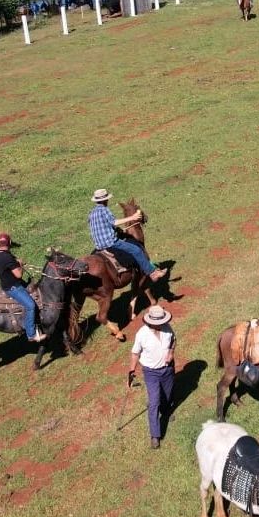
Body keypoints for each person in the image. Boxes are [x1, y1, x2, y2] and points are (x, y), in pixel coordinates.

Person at [88, 189, 166, 282]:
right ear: (105, 200)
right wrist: (132, 217)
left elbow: (101, 227)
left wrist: (116, 230)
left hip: (99, 245)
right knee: (136, 250)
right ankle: (153, 273)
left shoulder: (91, 213)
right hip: (110, 243)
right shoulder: (104, 210)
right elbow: (114, 222)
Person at [128, 304, 175, 449]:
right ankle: (155, 435)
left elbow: (173, 340)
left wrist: (171, 353)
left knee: (167, 395)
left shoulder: (168, 328)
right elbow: (135, 353)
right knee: (154, 402)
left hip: (167, 369)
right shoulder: (142, 334)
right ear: (150, 321)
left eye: (162, 322)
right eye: (157, 323)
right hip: (151, 372)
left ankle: (165, 411)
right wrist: (131, 371)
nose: (161, 325)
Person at [0, 232, 46, 342]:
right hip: (13, 287)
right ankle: (31, 334)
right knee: (30, 305)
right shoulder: (8, 258)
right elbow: (19, 275)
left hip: (4, 284)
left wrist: (2, 266)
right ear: (9, 242)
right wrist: (19, 264)